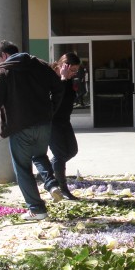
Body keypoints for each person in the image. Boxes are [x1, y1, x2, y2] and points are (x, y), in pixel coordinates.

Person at [0, 40, 65, 220]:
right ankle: (52, 184)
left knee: (22, 168)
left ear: (4, 55)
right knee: (39, 156)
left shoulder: (3, 71)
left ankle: (37, 210)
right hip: (43, 123)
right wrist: (51, 110)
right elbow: (59, 87)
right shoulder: (40, 65)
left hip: (20, 127)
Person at [49, 52, 82, 200]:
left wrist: (67, 80)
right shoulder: (52, 77)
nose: (74, 73)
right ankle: (63, 189)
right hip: (52, 121)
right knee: (60, 154)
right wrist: (62, 79)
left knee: (72, 150)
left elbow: (69, 97)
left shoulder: (68, 80)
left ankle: (50, 169)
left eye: (76, 71)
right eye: (72, 70)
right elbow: (54, 99)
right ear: (63, 66)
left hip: (64, 120)